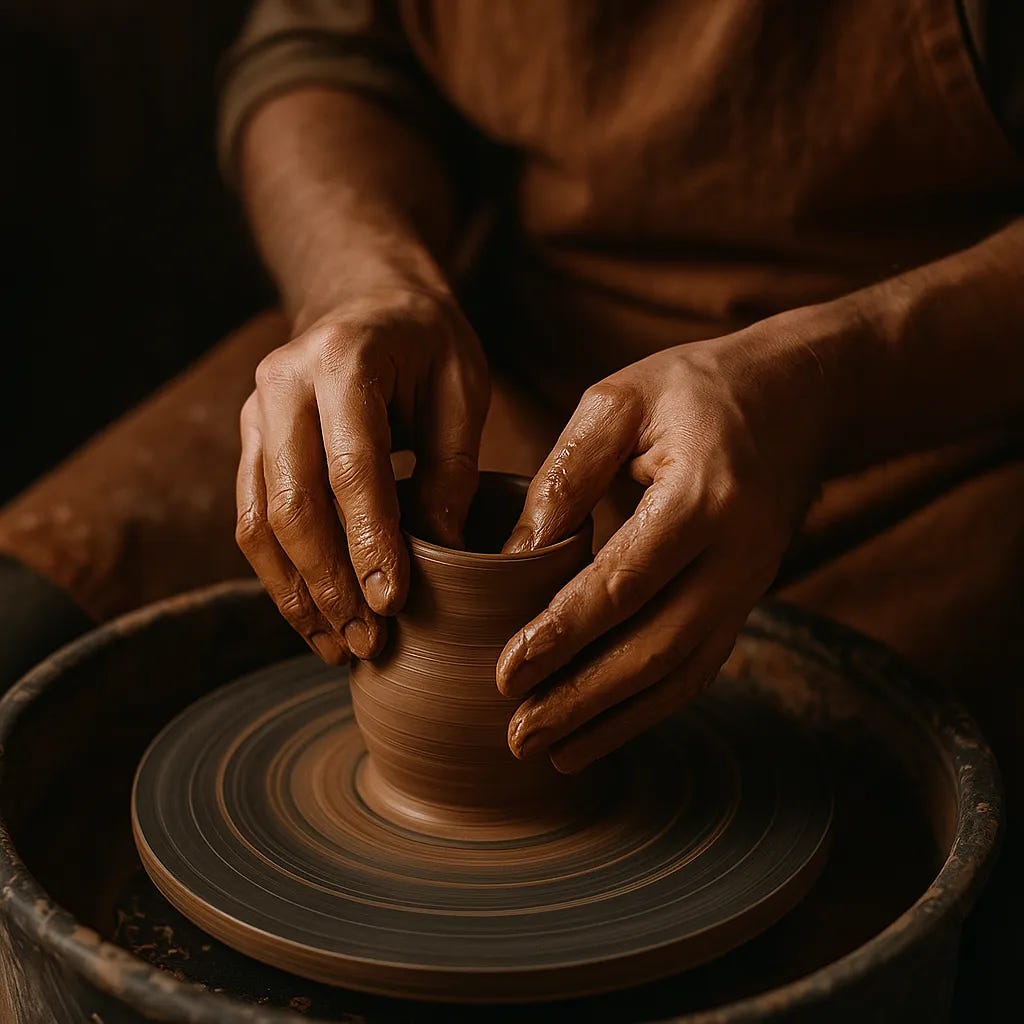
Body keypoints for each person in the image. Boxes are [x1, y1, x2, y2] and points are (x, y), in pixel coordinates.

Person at [1, 0, 1021, 784]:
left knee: (907, 832)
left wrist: (826, 386)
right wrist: (362, 277)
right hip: (482, 368)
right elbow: (326, 51)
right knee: (28, 633)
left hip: (928, 421)